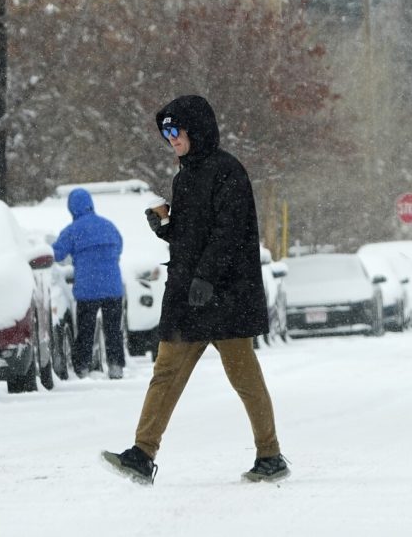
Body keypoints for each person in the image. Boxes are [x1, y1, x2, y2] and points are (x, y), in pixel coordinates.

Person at [102, 95, 289, 483]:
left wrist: (206, 276)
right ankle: (142, 453)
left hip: (226, 295)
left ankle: (270, 455)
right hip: (190, 295)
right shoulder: (185, 176)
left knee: (244, 376)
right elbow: (193, 235)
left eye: (176, 130)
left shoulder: (228, 172)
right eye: (165, 132)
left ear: (197, 129)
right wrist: (167, 228)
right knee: (166, 370)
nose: (170, 138)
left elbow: (229, 233)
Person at [53, 188, 125, 379]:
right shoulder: (108, 225)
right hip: (112, 287)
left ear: (72, 208)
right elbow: (119, 246)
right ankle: (116, 365)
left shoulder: (72, 231)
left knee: (85, 330)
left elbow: (57, 254)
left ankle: (82, 367)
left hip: (87, 289)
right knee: (113, 330)